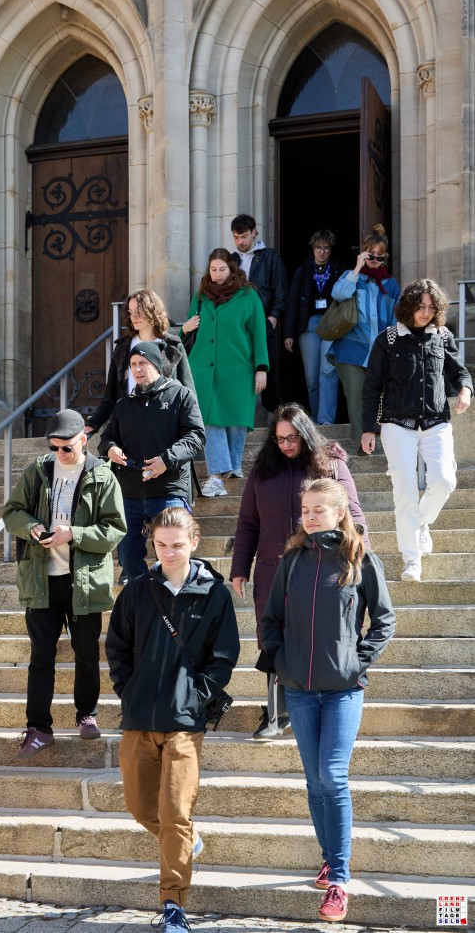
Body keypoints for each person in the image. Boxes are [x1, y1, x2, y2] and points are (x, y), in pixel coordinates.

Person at [262, 478, 395, 923]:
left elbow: (385, 620)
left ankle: (339, 879)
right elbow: (271, 619)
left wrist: (357, 662)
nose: (311, 516)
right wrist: (281, 659)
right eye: (306, 510)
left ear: (340, 512)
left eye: (319, 509)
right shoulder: (292, 561)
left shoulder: (360, 559)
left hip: (343, 689)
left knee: (332, 775)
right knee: (314, 780)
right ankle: (328, 858)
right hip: (299, 689)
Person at [106, 506, 240, 933]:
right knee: (140, 807)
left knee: (176, 813)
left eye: (177, 545)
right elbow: (117, 647)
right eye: (161, 544)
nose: (168, 552)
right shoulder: (137, 590)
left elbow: (224, 657)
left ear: (194, 543)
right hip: (140, 717)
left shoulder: (214, 593)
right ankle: (187, 842)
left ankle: (173, 904)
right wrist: (129, 690)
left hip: (185, 721)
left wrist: (197, 696)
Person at [230, 404, 370, 738]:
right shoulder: (263, 471)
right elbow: (248, 522)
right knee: (273, 638)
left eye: (292, 438)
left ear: (306, 434)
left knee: (317, 635)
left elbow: (354, 514)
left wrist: (357, 556)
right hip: (272, 569)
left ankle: (324, 704)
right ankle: (276, 713)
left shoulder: (331, 465)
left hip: (323, 569)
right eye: (279, 439)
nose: (286, 445)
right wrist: (240, 567)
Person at [2, 409, 126, 756]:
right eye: (54, 447)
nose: (60, 453)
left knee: (86, 653)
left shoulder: (103, 475)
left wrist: (74, 534)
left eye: (66, 447)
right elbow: (12, 512)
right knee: (41, 656)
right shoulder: (38, 470)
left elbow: (115, 529)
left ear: (83, 440)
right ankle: (38, 728)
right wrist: (31, 527)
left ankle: (86, 715)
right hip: (42, 580)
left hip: (84, 581)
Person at [361, 278, 473, 582]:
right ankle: (411, 560)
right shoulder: (388, 340)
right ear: (408, 306)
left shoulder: (443, 336)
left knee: (445, 481)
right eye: (420, 306)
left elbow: (459, 372)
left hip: (436, 422)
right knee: (406, 492)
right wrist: (368, 429)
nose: (426, 313)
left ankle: (421, 522)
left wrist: (465, 389)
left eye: (431, 308)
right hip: (397, 424)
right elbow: (371, 388)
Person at [99, 342, 205, 581]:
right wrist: (110, 448)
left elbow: (197, 436)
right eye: (133, 364)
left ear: (156, 365)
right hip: (130, 493)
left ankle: (169, 597)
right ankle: (143, 597)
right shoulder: (123, 404)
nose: (137, 369)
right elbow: (106, 438)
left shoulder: (180, 395)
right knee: (127, 559)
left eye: (143, 363)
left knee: (171, 559)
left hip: (169, 490)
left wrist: (166, 460)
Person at [181, 248, 268, 497]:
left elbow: (259, 335)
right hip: (203, 369)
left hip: (239, 369)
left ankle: (234, 465)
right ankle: (216, 476)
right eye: (213, 269)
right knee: (211, 420)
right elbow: (187, 334)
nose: (217, 274)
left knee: (236, 420)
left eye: (222, 269)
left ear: (232, 269)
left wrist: (261, 368)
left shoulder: (248, 296)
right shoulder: (201, 296)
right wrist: (184, 329)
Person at [326, 223, 400, 452]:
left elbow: (396, 318)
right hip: (351, 349)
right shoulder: (352, 277)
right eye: (370, 255)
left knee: (379, 395)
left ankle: (380, 438)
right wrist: (357, 268)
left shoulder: (391, 284)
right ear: (363, 254)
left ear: (385, 257)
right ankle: (361, 442)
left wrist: (393, 347)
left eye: (379, 255)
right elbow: (338, 294)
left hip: (380, 349)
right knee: (356, 396)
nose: (374, 259)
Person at [85, 288, 194, 437]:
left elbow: (189, 393)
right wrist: (94, 423)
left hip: (166, 428)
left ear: (152, 311)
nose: (134, 317)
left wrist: (191, 431)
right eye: (130, 312)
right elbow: (110, 396)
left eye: (139, 311)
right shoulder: (123, 348)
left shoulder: (173, 346)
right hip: (129, 428)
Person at [284, 229, 344, 425]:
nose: (322, 251)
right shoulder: (303, 271)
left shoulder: (338, 269)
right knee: (312, 377)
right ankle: (317, 421)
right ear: (312, 248)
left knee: (328, 372)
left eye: (326, 248)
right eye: (318, 247)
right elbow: (292, 302)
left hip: (331, 325)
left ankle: (326, 421)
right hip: (308, 326)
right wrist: (288, 333)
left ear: (331, 250)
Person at [231, 213, 288, 412]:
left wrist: (273, 316)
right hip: (238, 323)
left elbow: (280, 289)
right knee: (240, 365)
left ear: (254, 232)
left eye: (244, 236)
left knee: (267, 366)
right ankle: (242, 412)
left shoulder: (270, 256)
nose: (240, 242)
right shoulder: (231, 260)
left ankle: (274, 413)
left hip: (263, 319)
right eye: (236, 237)